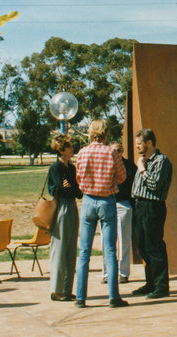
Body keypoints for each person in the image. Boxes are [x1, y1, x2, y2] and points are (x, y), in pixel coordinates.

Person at [73, 119, 127, 308]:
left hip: (88, 200)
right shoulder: (111, 152)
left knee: (84, 252)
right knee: (110, 250)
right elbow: (122, 176)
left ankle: (80, 297)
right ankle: (113, 296)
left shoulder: (82, 152)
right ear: (106, 134)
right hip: (107, 201)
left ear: (90, 133)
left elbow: (78, 177)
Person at [131, 127, 173, 299]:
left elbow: (155, 184)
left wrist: (142, 169)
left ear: (149, 142)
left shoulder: (161, 161)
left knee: (154, 246)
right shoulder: (144, 160)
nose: (137, 146)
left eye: (139, 143)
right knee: (143, 247)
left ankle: (161, 287)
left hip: (153, 206)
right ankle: (151, 283)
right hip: (139, 205)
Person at [47, 133, 81, 302]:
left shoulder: (72, 168)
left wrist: (69, 186)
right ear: (61, 150)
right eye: (69, 147)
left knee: (70, 249)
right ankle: (57, 289)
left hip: (72, 207)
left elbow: (78, 192)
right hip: (61, 208)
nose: (72, 149)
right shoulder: (55, 168)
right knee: (59, 248)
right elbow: (58, 189)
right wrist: (69, 187)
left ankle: (67, 289)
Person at [101, 141, 136, 285]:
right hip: (107, 203)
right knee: (106, 240)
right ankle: (106, 273)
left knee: (124, 240)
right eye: (112, 151)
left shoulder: (130, 167)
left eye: (117, 151)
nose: (115, 153)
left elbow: (133, 188)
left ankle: (123, 273)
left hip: (123, 204)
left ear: (122, 151)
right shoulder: (105, 165)